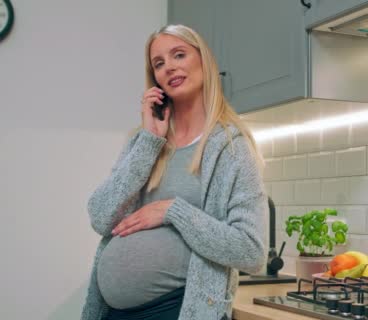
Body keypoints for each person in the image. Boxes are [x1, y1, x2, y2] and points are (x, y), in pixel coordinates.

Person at [81, 24, 268, 320]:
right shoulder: (142, 142)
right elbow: (101, 216)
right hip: (112, 312)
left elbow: (251, 252)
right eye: (159, 63)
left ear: (203, 61)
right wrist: (149, 140)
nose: (169, 67)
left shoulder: (231, 147)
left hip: (177, 309)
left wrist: (172, 211)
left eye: (178, 55)